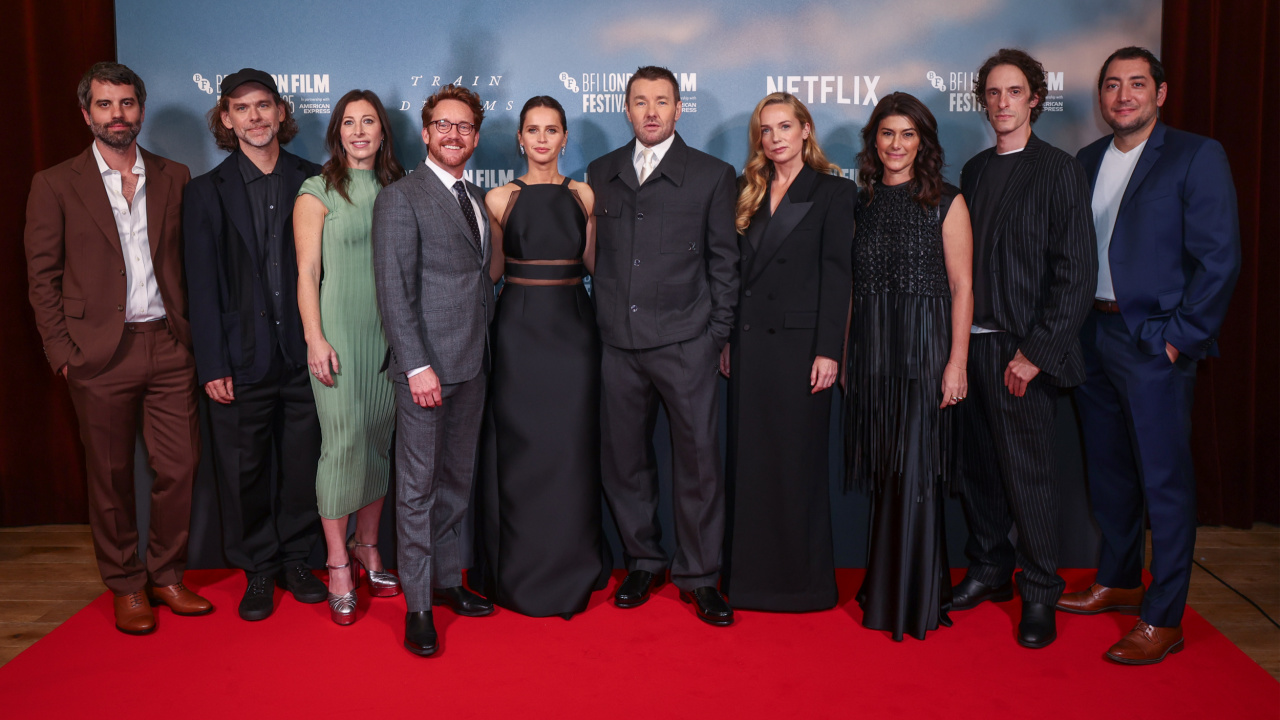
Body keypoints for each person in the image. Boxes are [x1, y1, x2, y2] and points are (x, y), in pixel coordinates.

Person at [1059, 47, 1240, 664]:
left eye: (1137, 84)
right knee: (1109, 473)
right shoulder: (1085, 162)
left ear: (1159, 95)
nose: (1123, 95)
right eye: (1112, 85)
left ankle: (1163, 618)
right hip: (1094, 335)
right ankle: (1118, 580)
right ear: (1101, 97)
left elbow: (1219, 258)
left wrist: (1180, 336)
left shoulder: (1195, 155)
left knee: (1164, 482)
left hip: (1154, 341)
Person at [24, 62, 212, 635]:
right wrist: (63, 351)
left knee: (179, 467)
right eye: (105, 106)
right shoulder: (55, 183)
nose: (117, 115)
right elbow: (42, 276)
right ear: (87, 114)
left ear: (141, 109)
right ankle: (126, 584)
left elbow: (192, 265)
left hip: (169, 345)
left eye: (126, 104)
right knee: (108, 477)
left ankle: (167, 574)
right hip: (97, 354)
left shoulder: (175, 176)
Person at [952, 49, 1096, 648]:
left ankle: (1040, 592)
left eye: (1014, 92)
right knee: (980, 471)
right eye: (993, 92)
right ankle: (990, 570)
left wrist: (1037, 351)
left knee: (1030, 478)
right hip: (971, 348)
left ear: (1035, 98)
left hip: (1022, 353)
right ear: (983, 100)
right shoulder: (976, 170)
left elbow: (1077, 272)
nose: (1002, 102)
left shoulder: (1059, 169)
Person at [588, 66, 739, 626]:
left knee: (698, 464)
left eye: (662, 101)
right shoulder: (600, 173)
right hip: (617, 346)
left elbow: (726, 265)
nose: (651, 111)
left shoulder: (712, 175)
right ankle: (644, 560)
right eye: (639, 101)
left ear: (679, 110)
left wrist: (713, 338)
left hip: (685, 344)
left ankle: (699, 576)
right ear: (625, 110)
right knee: (624, 461)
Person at [184, 68, 326, 621]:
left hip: (304, 354)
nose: (255, 117)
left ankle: (296, 559)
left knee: (301, 464)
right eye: (242, 109)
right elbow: (200, 284)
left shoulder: (315, 180)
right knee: (243, 470)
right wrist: (212, 361)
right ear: (226, 118)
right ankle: (258, 570)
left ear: (282, 112)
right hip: (239, 360)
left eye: (264, 105)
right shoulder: (204, 192)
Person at [846, 92, 974, 640]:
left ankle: (912, 601)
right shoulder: (862, 203)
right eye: (886, 134)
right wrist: (850, 352)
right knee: (886, 474)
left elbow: (963, 286)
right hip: (874, 349)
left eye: (907, 135)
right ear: (874, 142)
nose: (896, 145)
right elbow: (852, 288)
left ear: (923, 142)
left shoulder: (947, 201)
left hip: (925, 351)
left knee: (917, 473)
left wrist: (957, 364)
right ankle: (892, 583)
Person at [372, 84, 494, 656]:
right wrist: (417, 364)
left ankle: (447, 582)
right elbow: (394, 292)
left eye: (465, 127)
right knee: (418, 491)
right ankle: (417, 606)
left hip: (472, 365)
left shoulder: (474, 197)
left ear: (475, 136)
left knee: (456, 483)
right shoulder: (402, 197)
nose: (454, 135)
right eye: (443, 125)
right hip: (426, 370)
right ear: (425, 133)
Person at [719, 93, 853, 612]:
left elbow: (838, 276)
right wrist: (728, 340)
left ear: (806, 129)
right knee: (750, 467)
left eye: (784, 127)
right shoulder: (744, 190)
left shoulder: (834, 192)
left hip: (802, 353)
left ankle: (803, 585)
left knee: (796, 466)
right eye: (765, 130)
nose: (775, 138)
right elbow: (731, 275)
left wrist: (829, 351)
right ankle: (750, 583)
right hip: (750, 348)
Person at [477, 96, 607, 619]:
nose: (542, 139)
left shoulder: (584, 195)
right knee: (522, 451)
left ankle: (574, 566)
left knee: (571, 450)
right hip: (519, 333)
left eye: (552, 130)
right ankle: (519, 570)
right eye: (533, 130)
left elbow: (596, 265)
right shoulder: (497, 198)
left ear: (564, 138)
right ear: (520, 139)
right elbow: (491, 273)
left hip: (575, 331)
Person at [293, 90, 406, 625]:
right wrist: (315, 338)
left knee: (378, 443)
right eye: (349, 123)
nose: (359, 131)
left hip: (389, 337)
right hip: (337, 335)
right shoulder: (317, 190)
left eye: (369, 122)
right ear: (337, 132)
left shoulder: (400, 188)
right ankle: (338, 563)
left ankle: (368, 545)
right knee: (341, 445)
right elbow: (307, 275)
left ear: (383, 131)